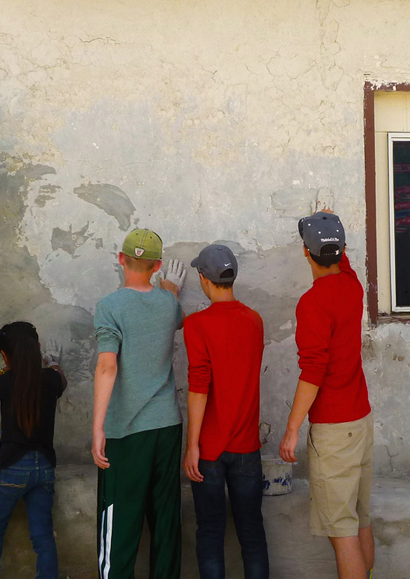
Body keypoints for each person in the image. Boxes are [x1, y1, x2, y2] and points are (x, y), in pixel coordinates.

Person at [279, 210, 374, 579]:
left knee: (342, 530)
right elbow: (341, 260)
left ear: (306, 252)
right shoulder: (352, 285)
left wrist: (292, 428)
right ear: (343, 251)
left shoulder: (313, 302)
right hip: (361, 420)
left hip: (334, 430)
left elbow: (313, 371)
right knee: (360, 518)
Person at [92, 228, 186, 579]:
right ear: (157, 265)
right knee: (165, 520)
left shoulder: (110, 306)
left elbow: (107, 365)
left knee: (120, 521)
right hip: (167, 426)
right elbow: (172, 315)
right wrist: (170, 289)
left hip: (127, 430)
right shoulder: (169, 304)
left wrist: (98, 428)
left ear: (121, 259)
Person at [183, 244, 269, 579]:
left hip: (209, 448)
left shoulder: (197, 324)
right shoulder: (254, 321)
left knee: (209, 533)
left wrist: (192, 446)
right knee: (252, 533)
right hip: (247, 446)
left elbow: (199, 386)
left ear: (203, 279)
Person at [0, 322, 67, 579]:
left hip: (12, 468)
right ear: (37, 348)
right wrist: (53, 363)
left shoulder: (5, 382)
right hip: (45, 467)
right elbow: (59, 376)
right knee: (43, 535)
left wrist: (4, 370)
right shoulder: (52, 379)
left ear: (5, 354)